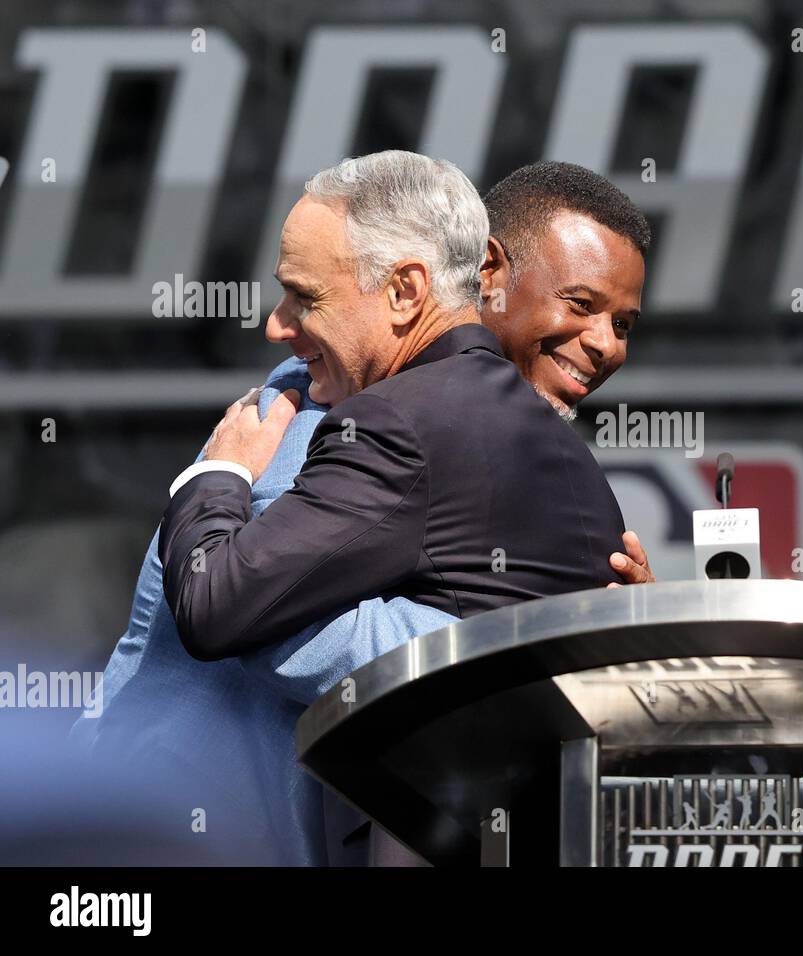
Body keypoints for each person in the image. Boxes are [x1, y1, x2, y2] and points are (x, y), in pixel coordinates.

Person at [78, 154, 655, 864]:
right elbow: (247, 611)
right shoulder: (324, 405)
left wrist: (621, 640)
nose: (604, 344)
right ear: (489, 273)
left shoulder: (520, 456)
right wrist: (548, 649)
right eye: (580, 303)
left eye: (624, 323)